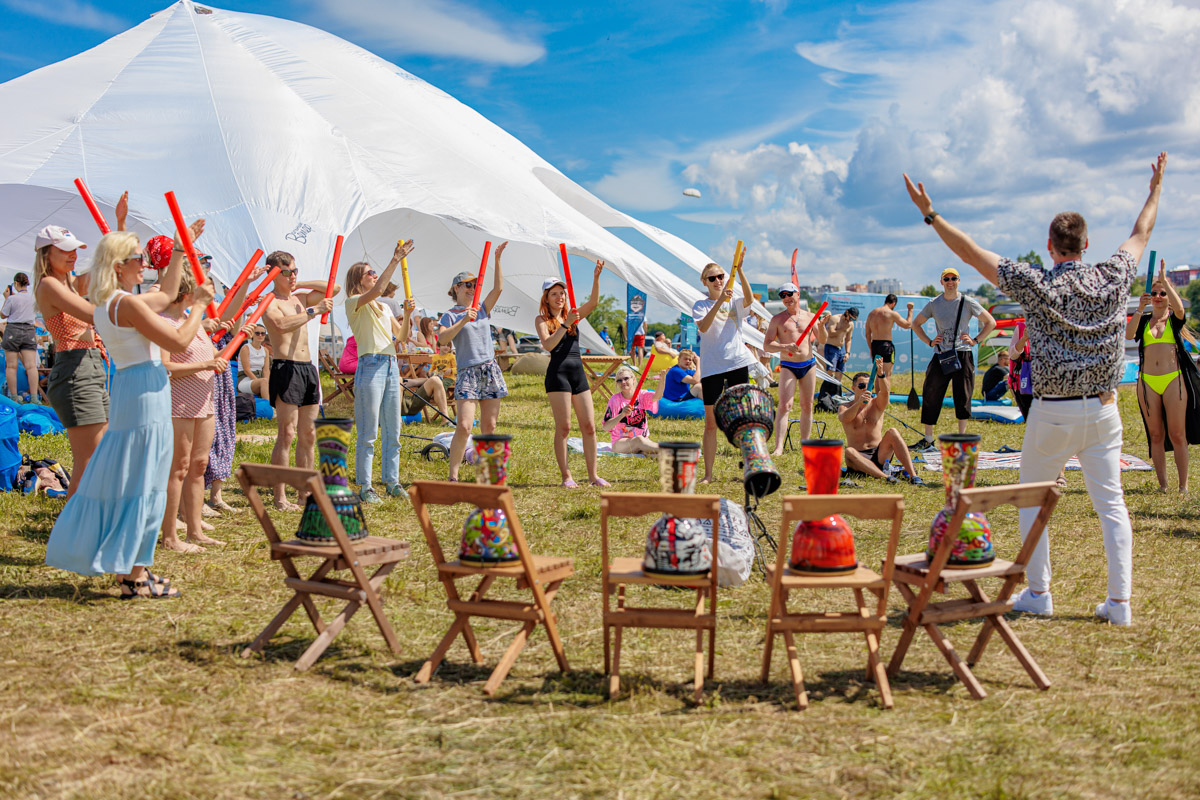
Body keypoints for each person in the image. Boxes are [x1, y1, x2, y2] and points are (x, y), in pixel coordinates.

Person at [903, 150, 1169, 626]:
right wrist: (1155, 189)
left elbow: (969, 253)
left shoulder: (1037, 283)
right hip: (1104, 410)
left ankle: (1040, 592)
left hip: (1051, 412)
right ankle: (1120, 603)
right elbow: (1140, 232)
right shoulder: (1113, 276)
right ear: (1086, 243)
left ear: (1050, 246)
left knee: (1033, 498)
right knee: (1111, 504)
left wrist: (931, 214)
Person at [44, 222, 213, 599]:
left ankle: (134, 570)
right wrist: (199, 305)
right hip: (143, 392)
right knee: (145, 481)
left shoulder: (110, 304)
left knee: (140, 478)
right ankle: (134, 575)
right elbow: (179, 338)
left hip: (132, 388)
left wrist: (182, 249)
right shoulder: (127, 304)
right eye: (138, 258)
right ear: (119, 265)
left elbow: (169, 291)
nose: (145, 263)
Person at [159, 266, 233, 552]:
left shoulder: (193, 321)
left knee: (199, 466)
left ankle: (195, 530)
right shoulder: (164, 322)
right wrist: (205, 365)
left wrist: (229, 345)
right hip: (179, 403)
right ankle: (170, 536)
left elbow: (208, 354)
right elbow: (165, 367)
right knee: (179, 468)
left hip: (205, 402)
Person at [33, 226, 108, 499]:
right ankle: (73, 525)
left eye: (75, 249)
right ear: (46, 253)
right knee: (89, 460)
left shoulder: (68, 282)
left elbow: (105, 272)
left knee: (100, 453)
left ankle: (86, 518)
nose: (73, 255)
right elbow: (92, 314)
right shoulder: (50, 284)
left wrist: (118, 236)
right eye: (64, 250)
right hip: (74, 368)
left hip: (89, 365)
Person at [262, 250, 339, 511]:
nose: (293, 276)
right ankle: (279, 496)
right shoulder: (270, 301)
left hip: (308, 368)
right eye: (287, 272)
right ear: (274, 274)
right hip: (286, 367)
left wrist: (300, 283)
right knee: (287, 432)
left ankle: (304, 493)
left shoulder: (300, 297)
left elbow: (334, 288)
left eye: (295, 271)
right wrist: (313, 310)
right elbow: (281, 325)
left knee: (308, 434)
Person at [344, 240, 417, 502]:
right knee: (368, 432)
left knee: (393, 430)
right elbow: (377, 290)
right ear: (358, 280)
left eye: (374, 271)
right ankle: (365, 486)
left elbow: (403, 337)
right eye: (369, 273)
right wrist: (395, 259)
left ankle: (392, 482)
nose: (374, 275)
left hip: (389, 364)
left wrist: (407, 315)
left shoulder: (385, 308)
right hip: (370, 364)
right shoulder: (354, 301)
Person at [535, 261, 608, 488]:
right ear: (546, 298)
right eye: (554, 294)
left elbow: (594, 303)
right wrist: (565, 324)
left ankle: (593, 476)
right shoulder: (542, 320)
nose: (559, 297)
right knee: (564, 427)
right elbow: (548, 345)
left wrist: (596, 278)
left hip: (578, 373)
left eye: (562, 293)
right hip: (558, 375)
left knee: (589, 426)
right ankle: (566, 476)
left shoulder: (573, 316)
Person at [439, 243, 508, 481]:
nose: (472, 288)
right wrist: (462, 321)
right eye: (468, 285)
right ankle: (453, 475)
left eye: (475, 285)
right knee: (465, 426)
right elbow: (442, 339)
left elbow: (498, 288)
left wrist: (497, 259)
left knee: (489, 426)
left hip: (489, 369)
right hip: (467, 372)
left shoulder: (481, 309)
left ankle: (488, 473)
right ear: (457, 288)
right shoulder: (450, 314)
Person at [1127, 273, 1199, 493]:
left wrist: (1166, 281)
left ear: (1169, 296)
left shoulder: (1174, 321)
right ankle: (1163, 485)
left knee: (1178, 434)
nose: (1158, 296)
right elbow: (1129, 335)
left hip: (1173, 381)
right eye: (1155, 293)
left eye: (1163, 293)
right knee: (1156, 435)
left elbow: (1180, 311)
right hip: (1147, 382)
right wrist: (1139, 308)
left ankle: (1183, 486)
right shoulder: (1145, 320)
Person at [910, 268, 996, 449]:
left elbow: (991, 322)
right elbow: (915, 324)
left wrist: (975, 340)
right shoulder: (934, 303)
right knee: (931, 393)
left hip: (963, 353)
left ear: (959, 281)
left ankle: (961, 439)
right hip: (941, 354)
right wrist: (930, 341)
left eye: (953, 278)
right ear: (941, 282)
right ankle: (928, 439)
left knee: (963, 395)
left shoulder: (968, 302)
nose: (950, 281)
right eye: (946, 279)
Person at [693, 261, 758, 484]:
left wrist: (740, 270)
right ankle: (708, 474)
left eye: (720, 276)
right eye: (712, 278)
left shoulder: (735, 302)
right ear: (705, 282)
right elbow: (703, 327)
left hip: (736, 362)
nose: (718, 281)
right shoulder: (700, 305)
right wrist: (720, 300)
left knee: (741, 419)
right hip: (712, 368)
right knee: (710, 423)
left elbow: (750, 300)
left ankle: (749, 469)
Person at [839, 357, 927, 486]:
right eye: (861, 386)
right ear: (853, 388)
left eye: (867, 386)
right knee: (849, 451)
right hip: (858, 458)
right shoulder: (846, 406)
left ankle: (914, 476)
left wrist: (881, 374)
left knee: (893, 432)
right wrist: (858, 403)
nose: (865, 389)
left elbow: (885, 393)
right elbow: (844, 418)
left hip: (879, 454)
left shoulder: (876, 404)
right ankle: (886, 477)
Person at [763, 282, 826, 455]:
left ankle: (805, 444)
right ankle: (779, 447)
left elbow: (823, 340)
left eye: (789, 294)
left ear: (797, 294)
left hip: (808, 364)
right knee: (785, 405)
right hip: (788, 365)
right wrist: (784, 347)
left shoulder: (810, 316)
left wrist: (822, 327)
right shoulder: (777, 319)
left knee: (807, 405)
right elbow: (767, 345)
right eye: (782, 296)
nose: (786, 298)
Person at [602, 365, 667, 454]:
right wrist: (622, 415)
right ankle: (670, 450)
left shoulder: (642, 395)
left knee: (650, 454)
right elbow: (606, 427)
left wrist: (662, 378)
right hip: (620, 443)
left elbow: (657, 396)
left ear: (633, 379)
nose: (623, 382)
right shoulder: (615, 400)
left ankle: (675, 456)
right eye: (619, 380)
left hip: (643, 441)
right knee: (639, 440)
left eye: (626, 378)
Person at [2, 272, 40, 402]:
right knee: (31, 366)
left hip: (13, 330)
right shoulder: (34, 298)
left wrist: (6, 298)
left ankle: (14, 397)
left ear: (16, 283)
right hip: (29, 330)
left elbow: (3, 315)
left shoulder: (12, 299)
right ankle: (34, 397)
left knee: (11, 366)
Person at [864, 294, 914, 377]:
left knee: (878, 374)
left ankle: (878, 390)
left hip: (874, 344)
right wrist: (910, 310)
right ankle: (885, 390)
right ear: (893, 303)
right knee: (887, 374)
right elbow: (907, 325)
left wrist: (870, 348)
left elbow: (867, 334)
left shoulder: (872, 313)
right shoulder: (891, 313)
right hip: (886, 345)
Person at [822, 306, 858, 388]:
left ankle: (836, 391)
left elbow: (848, 339)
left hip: (841, 349)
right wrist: (842, 329)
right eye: (850, 318)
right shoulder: (835, 319)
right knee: (830, 372)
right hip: (831, 347)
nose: (850, 321)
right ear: (847, 313)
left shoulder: (850, 324)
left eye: (853, 320)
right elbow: (830, 333)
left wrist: (847, 353)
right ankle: (825, 392)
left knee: (840, 373)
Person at [238, 325, 271, 400]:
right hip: (245, 379)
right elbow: (247, 370)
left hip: (260, 379)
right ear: (252, 334)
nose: (260, 335)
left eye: (262, 333)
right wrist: (260, 382)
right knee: (264, 382)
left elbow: (266, 370)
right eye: (257, 333)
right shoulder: (246, 348)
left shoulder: (265, 350)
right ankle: (268, 406)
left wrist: (267, 383)